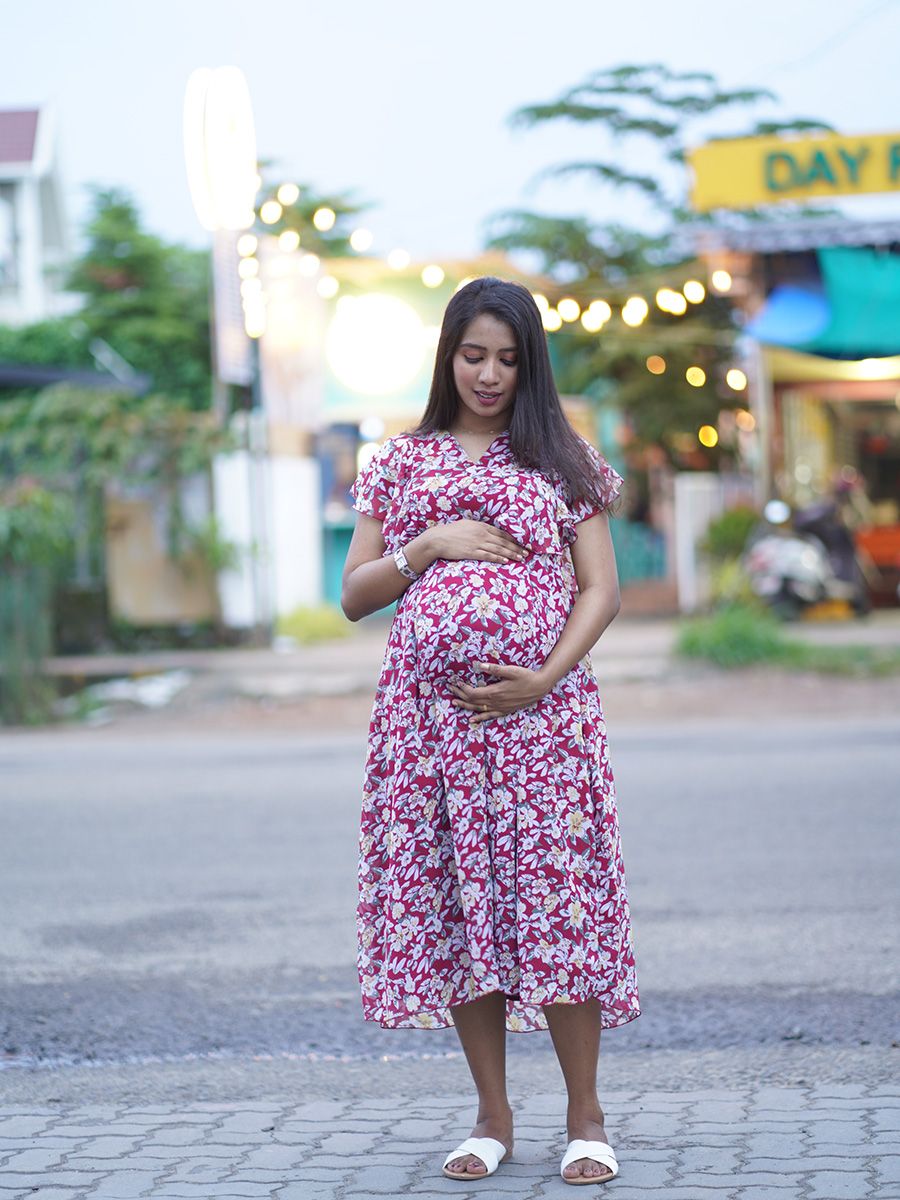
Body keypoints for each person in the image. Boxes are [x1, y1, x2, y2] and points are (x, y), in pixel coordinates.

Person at [341, 276, 640, 1186]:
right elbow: (355, 594)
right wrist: (424, 548)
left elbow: (603, 589)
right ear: (447, 355)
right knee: (463, 910)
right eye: (474, 354)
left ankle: (585, 1117)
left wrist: (544, 676)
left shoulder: (561, 457)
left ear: (530, 364)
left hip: (542, 725)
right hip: (430, 733)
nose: (489, 373)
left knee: (559, 907)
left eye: (509, 358)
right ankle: (492, 1117)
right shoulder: (402, 462)